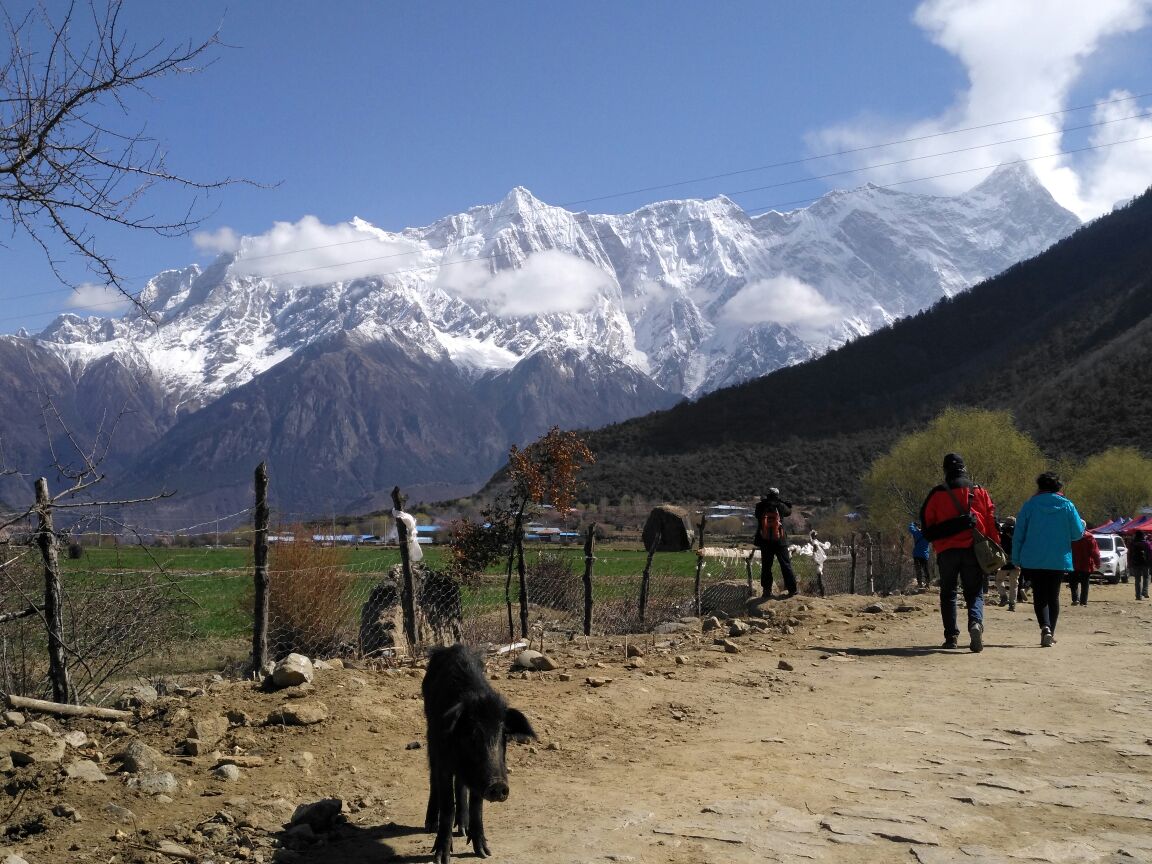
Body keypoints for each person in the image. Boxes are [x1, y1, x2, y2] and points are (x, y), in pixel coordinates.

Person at [919, 453, 1000, 652]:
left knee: (948, 593)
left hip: (946, 551)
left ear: (945, 470)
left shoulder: (937, 493)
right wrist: (994, 545)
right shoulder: (979, 491)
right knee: (974, 592)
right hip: (973, 549)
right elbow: (990, 521)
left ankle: (951, 637)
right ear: (964, 468)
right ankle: (975, 623)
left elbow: (927, 525)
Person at [1011, 472, 1085, 647]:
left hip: (1033, 558)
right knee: (1053, 596)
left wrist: (1015, 558)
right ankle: (1051, 631)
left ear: (1040, 486)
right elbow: (1076, 535)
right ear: (1059, 487)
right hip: (1058, 558)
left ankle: (1045, 627)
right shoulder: (1068, 506)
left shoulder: (1029, 505)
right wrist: (1080, 527)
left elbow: (1018, 534)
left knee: (1039, 595)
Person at [754, 488, 796, 598]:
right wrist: (787, 504)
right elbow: (788, 512)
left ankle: (766, 591)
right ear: (777, 495)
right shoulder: (781, 506)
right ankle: (792, 590)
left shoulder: (760, 506)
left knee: (766, 566)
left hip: (765, 540)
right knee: (785, 565)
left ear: (768, 494)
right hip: (780, 540)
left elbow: (757, 515)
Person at [1069, 529, 1100, 606]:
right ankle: (1083, 601)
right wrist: (1097, 563)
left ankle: (1075, 599)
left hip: (1073, 564)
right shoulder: (1089, 538)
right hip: (1086, 565)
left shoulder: (1071, 536)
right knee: (1085, 584)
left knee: (1073, 583)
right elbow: (1095, 552)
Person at [996, 516, 1020, 610]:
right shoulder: (1018, 534)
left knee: (999, 580)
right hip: (1016, 560)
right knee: (1014, 583)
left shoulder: (1003, 533)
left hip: (1005, 560)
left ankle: (1003, 596)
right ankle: (1012, 604)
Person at [1128, 530, 1152, 600]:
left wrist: (1130, 563)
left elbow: (1129, 554)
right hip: (1145, 564)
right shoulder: (1147, 543)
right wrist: (1150, 562)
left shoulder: (1132, 543)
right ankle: (1145, 592)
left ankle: (1138, 596)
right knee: (1146, 578)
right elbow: (1150, 553)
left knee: (1137, 580)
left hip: (1136, 563)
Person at [908, 522, 931, 589]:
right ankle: (927, 583)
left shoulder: (916, 533)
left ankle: (920, 583)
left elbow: (910, 528)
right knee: (925, 569)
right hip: (925, 555)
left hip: (917, 554)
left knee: (918, 570)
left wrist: (913, 523)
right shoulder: (928, 534)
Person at [809, 529, 830, 597]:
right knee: (819, 567)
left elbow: (820, 544)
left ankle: (822, 590)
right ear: (813, 536)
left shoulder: (816, 541)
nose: (816, 537)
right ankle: (822, 591)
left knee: (820, 566)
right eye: (815, 536)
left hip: (819, 555)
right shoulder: (814, 542)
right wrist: (815, 555)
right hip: (818, 555)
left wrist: (824, 546)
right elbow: (815, 548)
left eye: (816, 536)